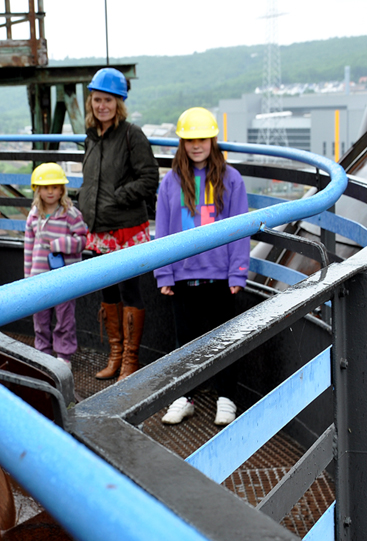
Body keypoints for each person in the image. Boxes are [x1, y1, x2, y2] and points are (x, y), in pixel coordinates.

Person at [154, 107, 250, 427]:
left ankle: (227, 397)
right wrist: (163, 272)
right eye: (189, 140)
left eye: (202, 139)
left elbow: (240, 227)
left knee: (225, 340)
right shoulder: (170, 182)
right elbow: (164, 230)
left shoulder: (231, 179)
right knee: (187, 343)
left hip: (220, 275)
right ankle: (185, 397)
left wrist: (238, 269)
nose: (196, 146)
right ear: (182, 143)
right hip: (182, 276)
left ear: (212, 140)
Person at [78, 67, 159, 381]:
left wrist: (117, 197)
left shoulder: (131, 134)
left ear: (119, 103)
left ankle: (130, 361)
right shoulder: (92, 138)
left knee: (130, 292)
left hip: (126, 228)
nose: (102, 106)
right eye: (97, 100)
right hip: (99, 230)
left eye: (108, 100)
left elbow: (149, 178)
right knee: (108, 293)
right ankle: (114, 356)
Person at [24, 163, 88, 365]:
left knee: (65, 317)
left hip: (65, 277)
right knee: (40, 319)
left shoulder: (71, 214)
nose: (50, 191)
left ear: (62, 189)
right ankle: (42, 352)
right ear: (37, 190)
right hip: (39, 277)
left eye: (54, 187)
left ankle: (63, 355)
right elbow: (28, 246)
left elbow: (83, 240)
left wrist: (61, 244)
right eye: (45, 187)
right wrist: (27, 276)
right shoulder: (34, 214)